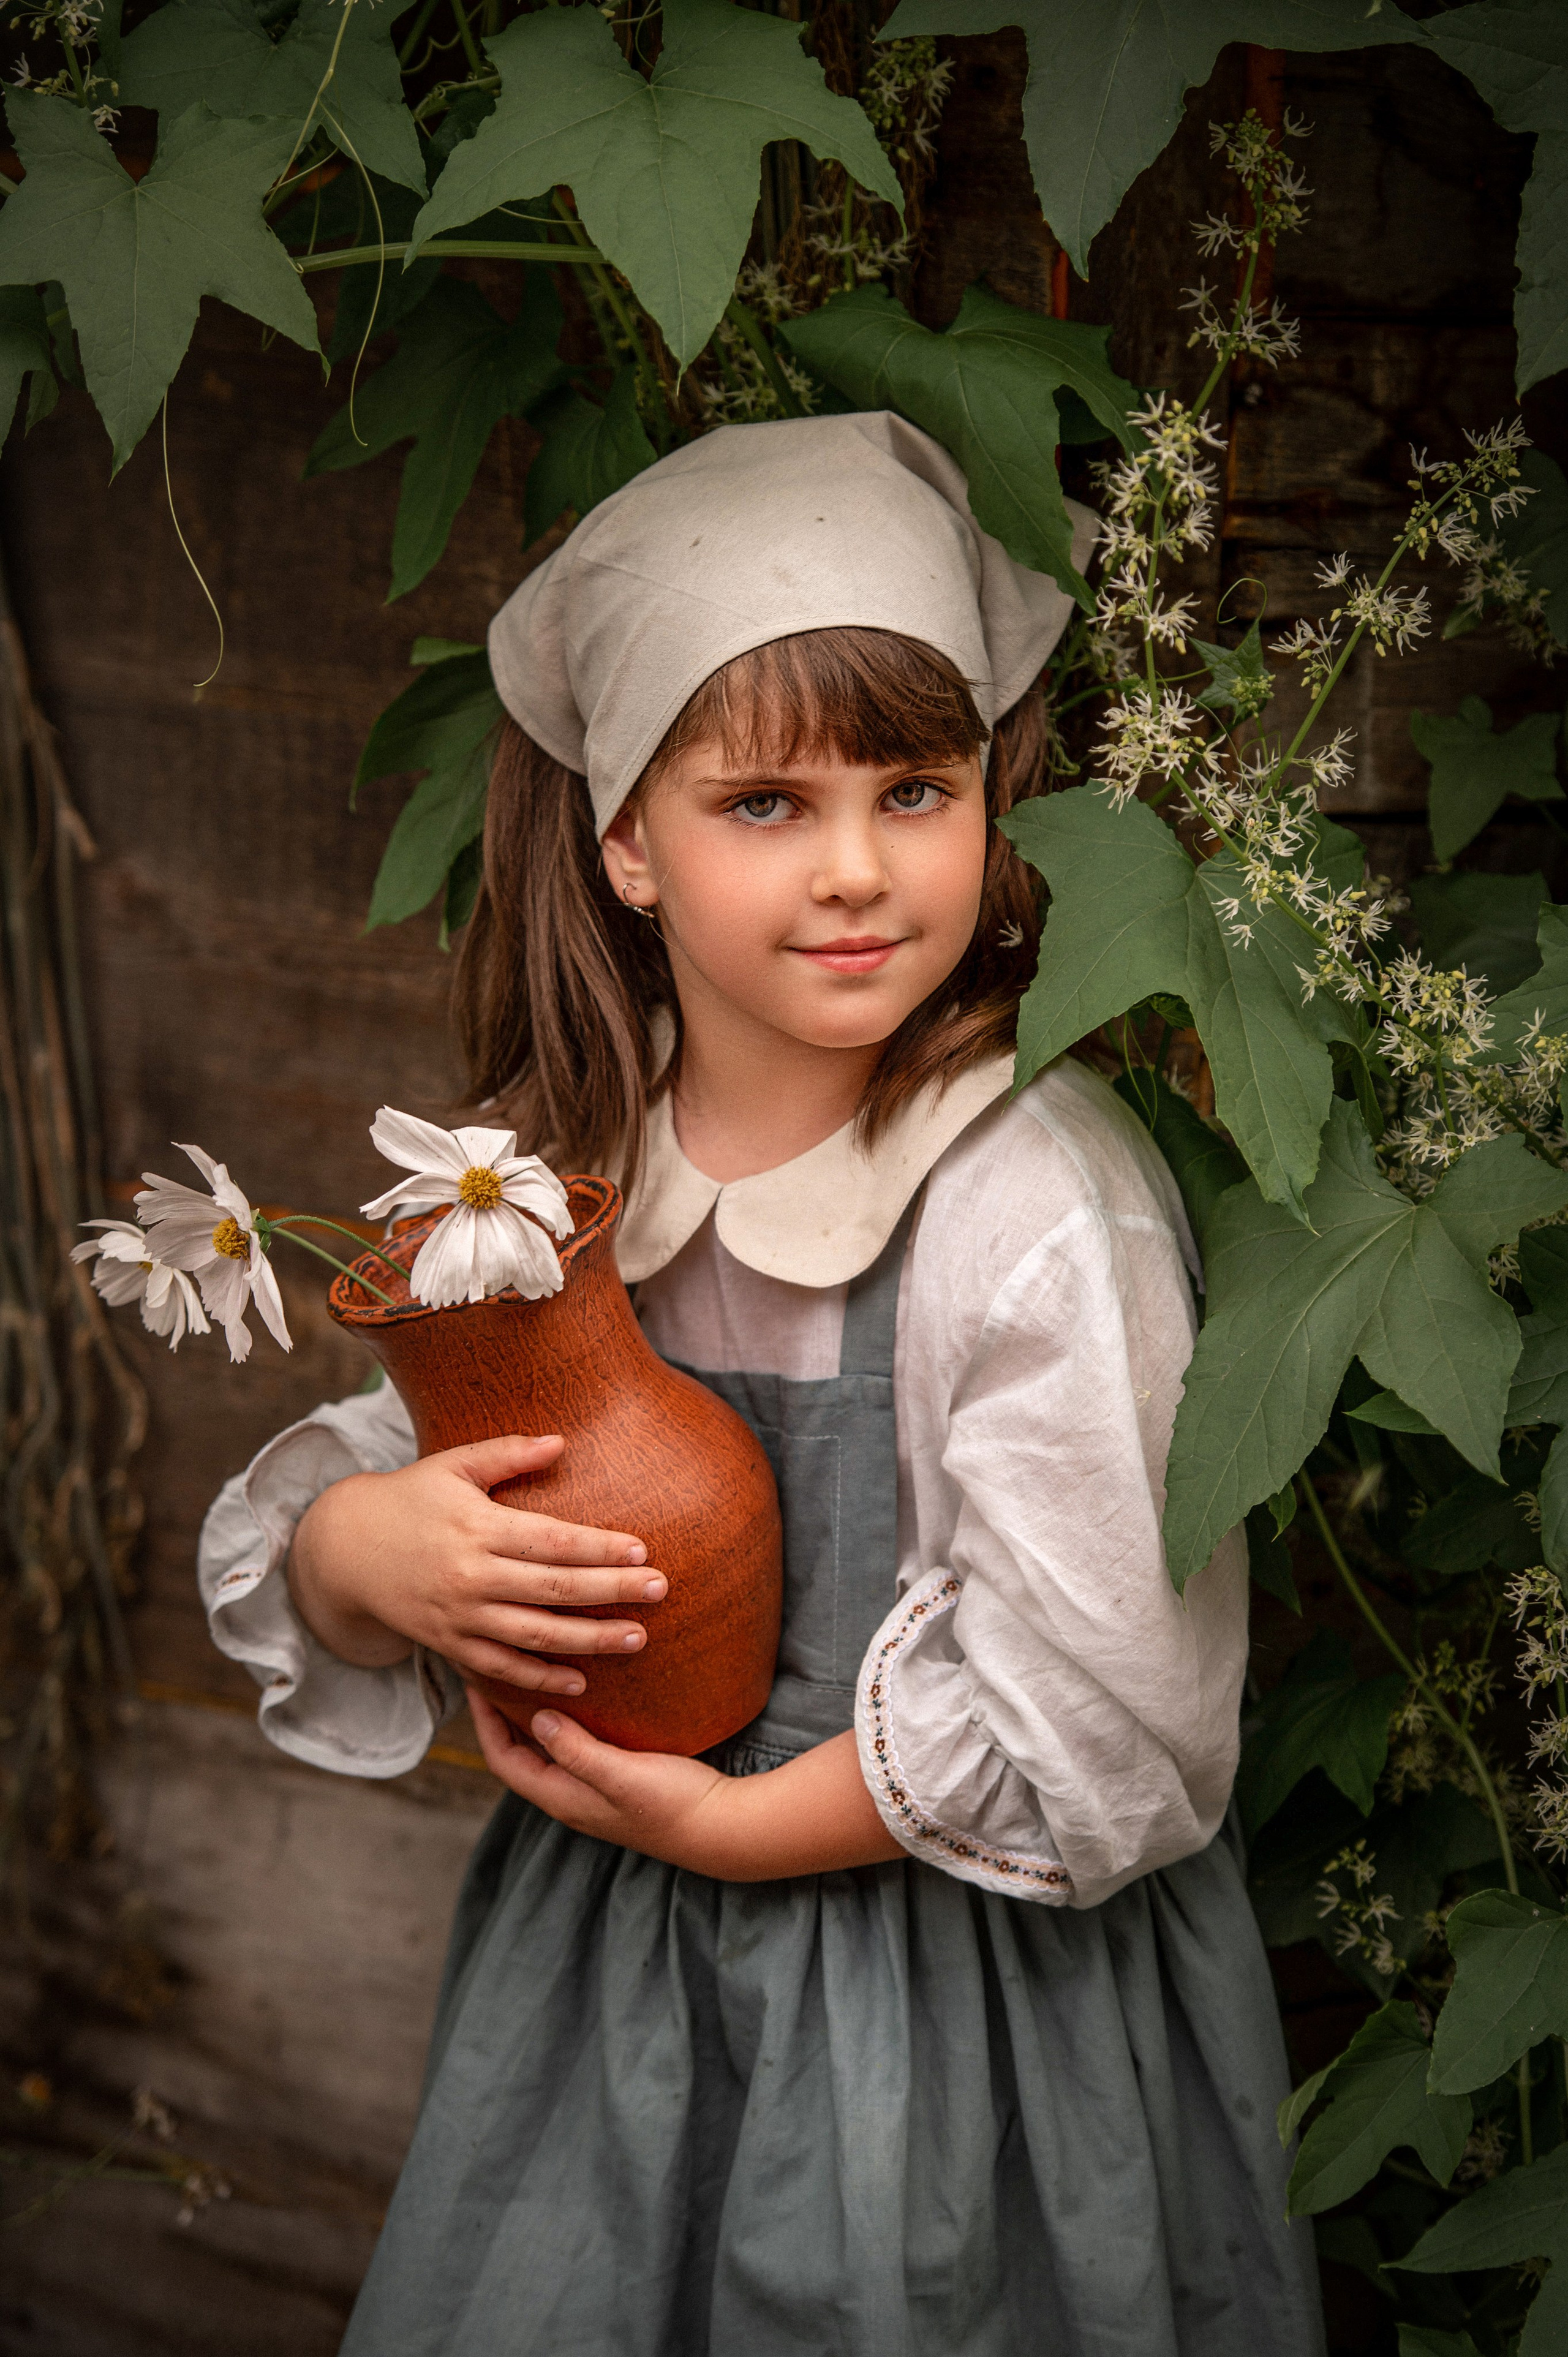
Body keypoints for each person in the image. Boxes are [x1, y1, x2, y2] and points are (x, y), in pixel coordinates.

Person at [198, 412, 1324, 2355]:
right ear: (626, 838)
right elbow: (438, 1461)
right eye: (765, 806)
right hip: (615, 1983)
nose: (858, 872)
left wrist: (729, 1832)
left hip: (962, 2000)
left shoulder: (1028, 1205)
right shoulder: (554, 1182)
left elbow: (1111, 1714)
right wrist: (362, 1557)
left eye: (916, 787)